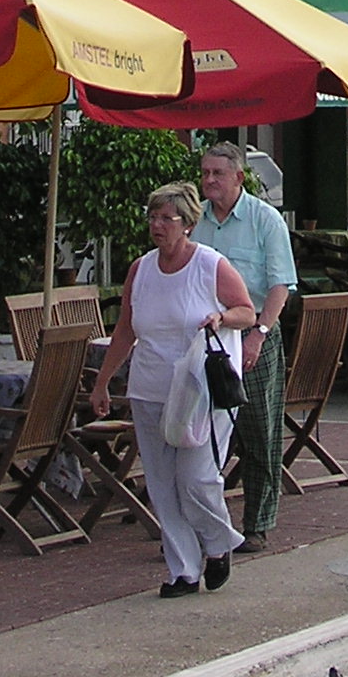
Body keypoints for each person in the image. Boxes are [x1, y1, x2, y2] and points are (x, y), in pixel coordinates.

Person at [89, 183, 251, 598]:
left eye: (166, 218)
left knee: (196, 479)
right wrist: (103, 381)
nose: (157, 226)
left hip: (200, 391)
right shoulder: (141, 269)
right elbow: (125, 330)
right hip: (151, 387)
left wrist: (221, 317)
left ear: (188, 224)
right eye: (153, 217)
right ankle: (183, 570)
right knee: (161, 483)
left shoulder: (210, 265)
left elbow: (246, 312)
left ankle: (217, 543)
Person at [189, 143, 296, 557]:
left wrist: (259, 333)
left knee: (258, 431)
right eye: (205, 173)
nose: (209, 180)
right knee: (198, 431)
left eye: (217, 173)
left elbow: (280, 285)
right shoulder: (194, 220)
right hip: (206, 337)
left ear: (238, 177)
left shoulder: (265, 220)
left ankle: (257, 524)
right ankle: (202, 525)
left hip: (254, 334)